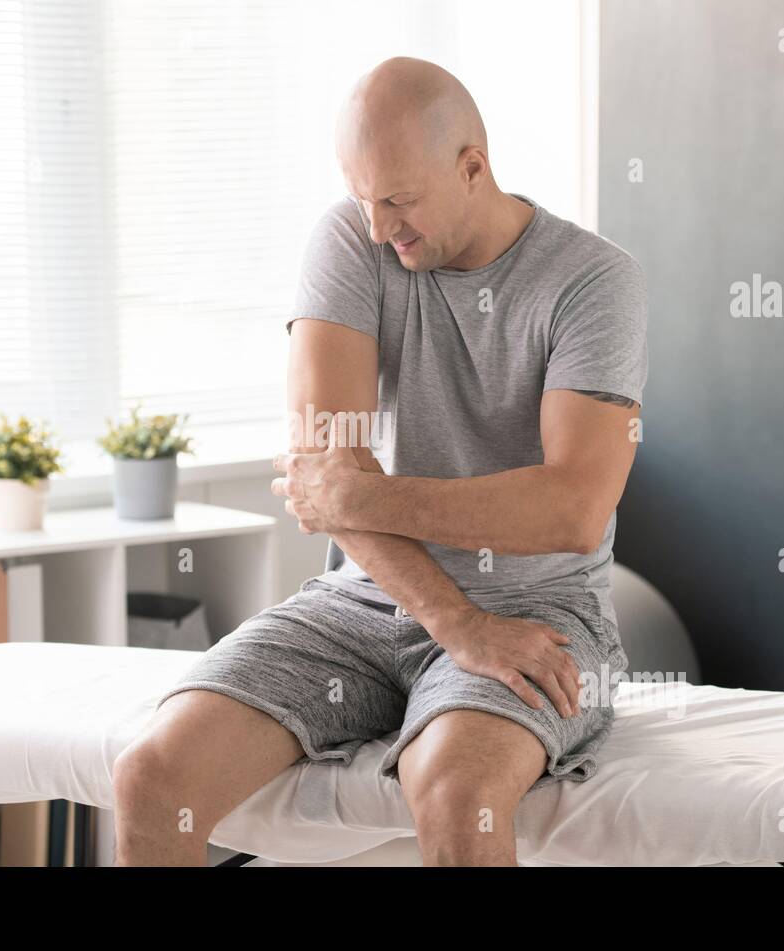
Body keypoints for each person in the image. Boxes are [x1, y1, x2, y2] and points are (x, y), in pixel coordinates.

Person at [112, 56, 645, 866]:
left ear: (473, 167)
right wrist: (455, 622)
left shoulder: (593, 281)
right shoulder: (349, 242)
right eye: (362, 198)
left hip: (540, 610)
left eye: (398, 200)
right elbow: (328, 467)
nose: (376, 227)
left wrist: (359, 500)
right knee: (151, 776)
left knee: (456, 794)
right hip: (365, 599)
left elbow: (572, 512)